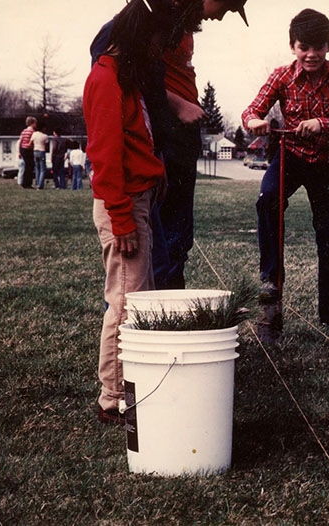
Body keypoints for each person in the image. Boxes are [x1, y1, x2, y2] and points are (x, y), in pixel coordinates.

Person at [84, 0, 202, 425]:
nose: (160, 51)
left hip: (139, 199)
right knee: (126, 303)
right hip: (124, 207)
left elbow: (136, 142)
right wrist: (121, 219)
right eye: (155, 42)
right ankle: (112, 396)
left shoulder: (127, 81)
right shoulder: (105, 80)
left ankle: (131, 385)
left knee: (140, 295)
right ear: (140, 38)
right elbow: (105, 156)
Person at [90, 0, 248, 291]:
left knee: (176, 241)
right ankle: (152, 318)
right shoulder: (149, 19)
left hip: (177, 143)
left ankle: (171, 315)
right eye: (225, 7)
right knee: (150, 251)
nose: (222, 17)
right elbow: (110, 64)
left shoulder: (182, 26)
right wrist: (177, 106)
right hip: (161, 142)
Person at [242, 8, 329, 331]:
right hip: (290, 157)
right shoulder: (281, 76)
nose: (311, 55)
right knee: (267, 200)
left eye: (318, 47)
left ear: (328, 45)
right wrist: (256, 122)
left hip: (325, 164)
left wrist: (321, 125)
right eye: (303, 47)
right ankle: (270, 283)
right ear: (293, 46)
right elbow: (252, 110)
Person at [18, 117, 36, 188]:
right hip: (28, 150)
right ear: (32, 123)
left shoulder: (24, 131)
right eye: (35, 123)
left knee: (26, 166)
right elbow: (32, 142)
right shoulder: (32, 132)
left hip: (23, 149)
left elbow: (21, 141)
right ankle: (27, 183)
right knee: (30, 166)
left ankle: (24, 182)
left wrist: (19, 151)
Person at [31, 123, 49, 189]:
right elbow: (47, 146)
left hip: (35, 151)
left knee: (37, 168)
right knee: (42, 169)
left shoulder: (34, 134)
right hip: (42, 151)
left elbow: (30, 143)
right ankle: (40, 185)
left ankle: (37, 183)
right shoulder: (45, 136)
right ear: (42, 128)